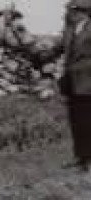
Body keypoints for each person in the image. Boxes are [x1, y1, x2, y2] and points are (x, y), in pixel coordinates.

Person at [60, 0, 91, 170]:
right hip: (73, 83)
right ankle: (80, 157)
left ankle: (86, 159)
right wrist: (40, 55)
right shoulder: (70, 30)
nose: (66, 13)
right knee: (76, 121)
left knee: (87, 121)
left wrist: (80, 67)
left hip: (88, 81)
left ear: (82, 12)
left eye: (70, 10)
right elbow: (59, 49)